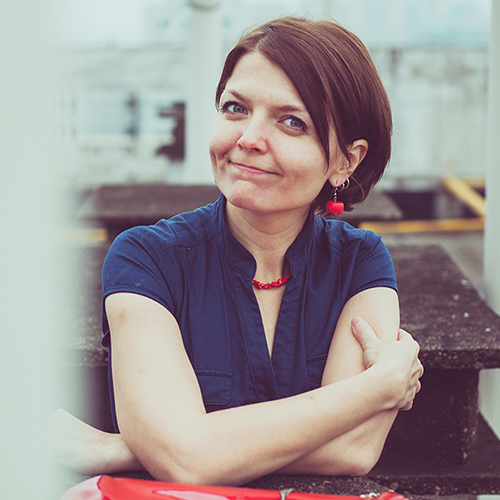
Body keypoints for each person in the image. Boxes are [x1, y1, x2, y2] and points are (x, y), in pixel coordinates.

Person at [50, 16, 423, 486]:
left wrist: (124, 448)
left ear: (346, 160)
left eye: (292, 122)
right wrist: (378, 388)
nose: (248, 138)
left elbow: (353, 449)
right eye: (235, 108)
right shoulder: (146, 258)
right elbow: (183, 459)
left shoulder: (360, 262)